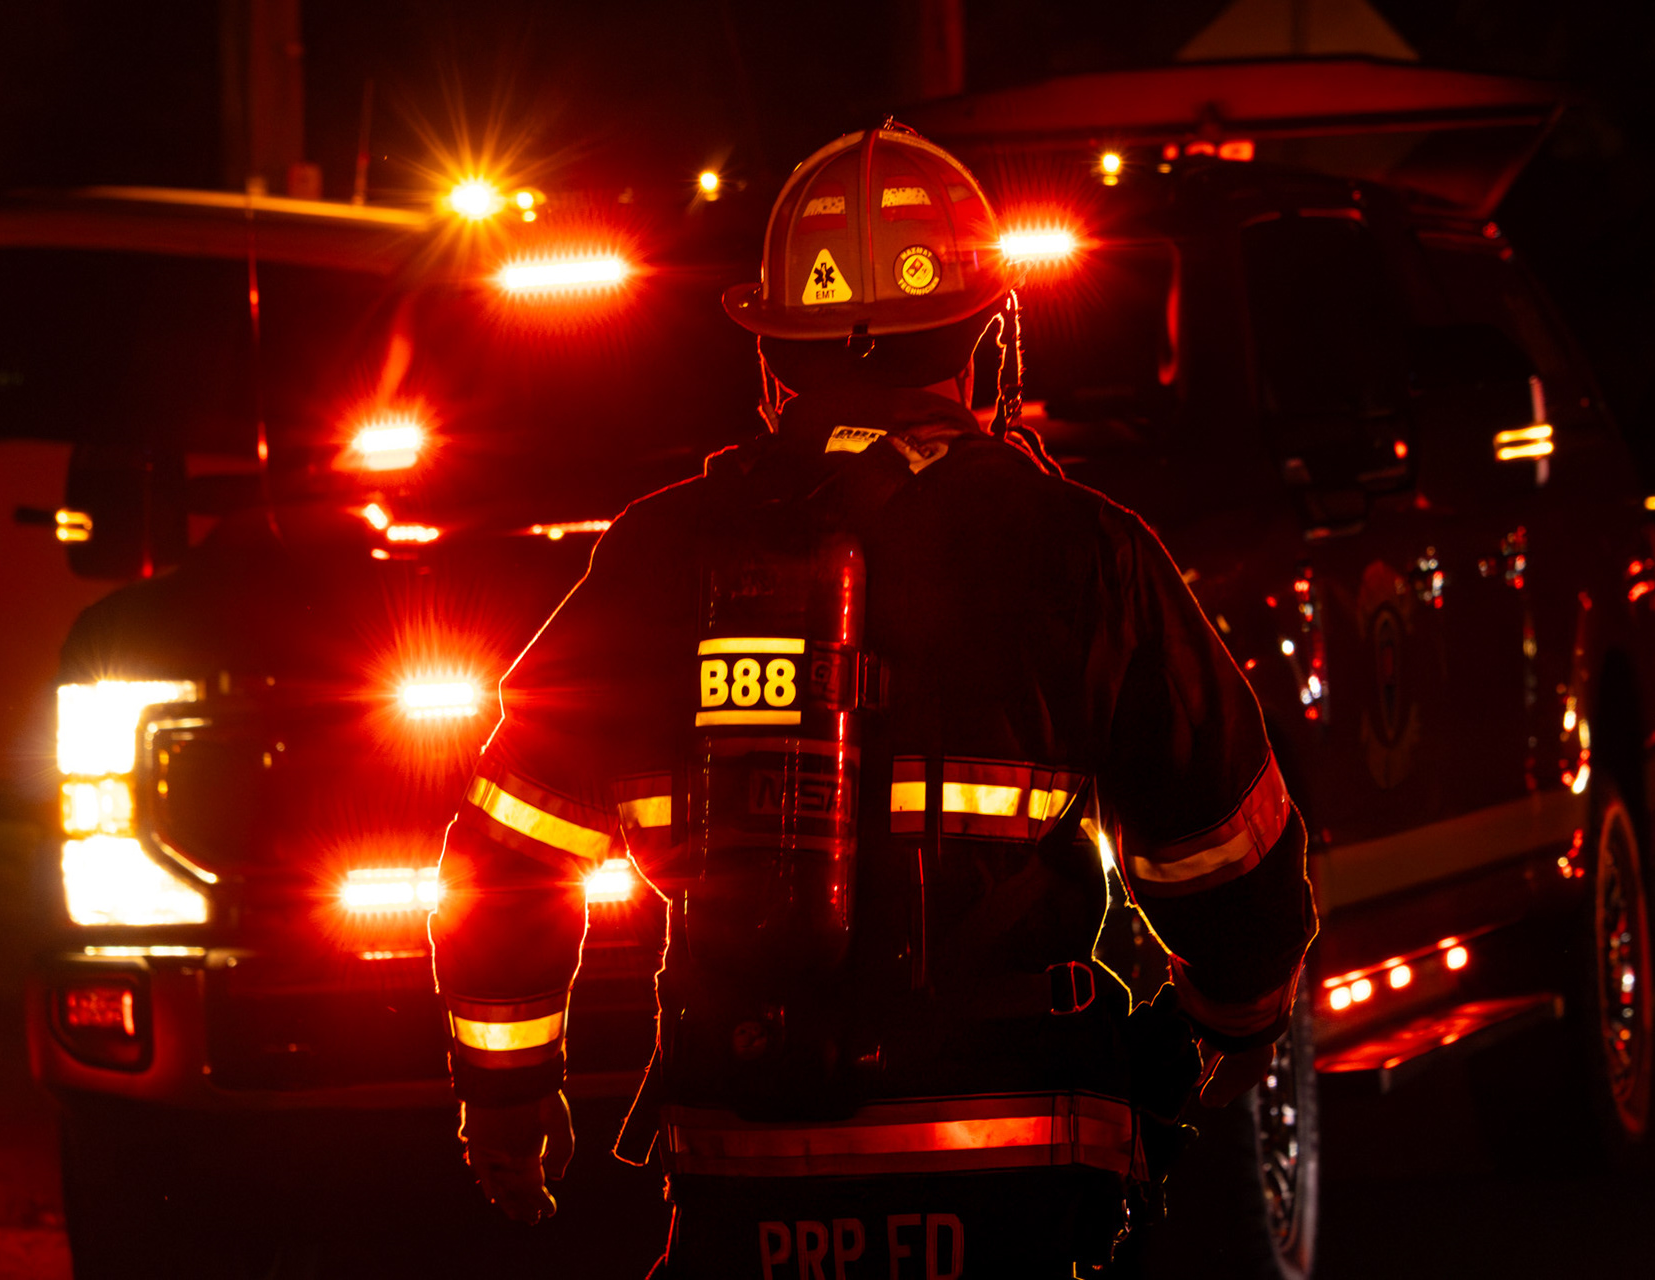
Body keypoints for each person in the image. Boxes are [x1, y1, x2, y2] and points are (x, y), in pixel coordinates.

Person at [430, 123, 1317, 1277]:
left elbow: (508, 849)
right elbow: (1225, 855)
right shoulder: (1084, 551)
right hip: (1018, 1153)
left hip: (747, 1150)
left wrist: (506, 1094)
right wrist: (1229, 1024)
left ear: (774, 356)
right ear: (987, 338)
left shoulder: (658, 554)